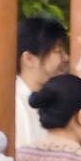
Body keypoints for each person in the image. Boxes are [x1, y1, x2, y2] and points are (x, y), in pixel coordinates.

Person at [13, 16, 73, 152]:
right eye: (58, 50)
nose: (66, 58)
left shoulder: (58, 102)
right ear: (29, 59)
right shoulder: (14, 104)